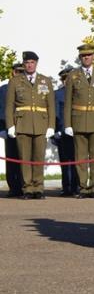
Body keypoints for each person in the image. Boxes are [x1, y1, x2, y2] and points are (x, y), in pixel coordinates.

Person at [64, 44, 94, 199]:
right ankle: (83, 187)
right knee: (80, 157)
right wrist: (67, 124)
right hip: (78, 120)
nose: (86, 58)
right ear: (80, 58)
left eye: (89, 55)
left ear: (93, 57)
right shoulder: (73, 75)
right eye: (83, 56)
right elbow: (68, 102)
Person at [4, 52, 55, 199]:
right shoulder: (15, 81)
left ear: (36, 63)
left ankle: (38, 188)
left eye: (32, 62)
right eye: (27, 62)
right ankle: (27, 188)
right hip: (22, 123)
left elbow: (50, 105)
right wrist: (10, 125)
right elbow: (9, 106)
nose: (30, 65)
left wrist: (51, 125)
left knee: (39, 158)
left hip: (41, 124)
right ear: (23, 64)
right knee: (25, 159)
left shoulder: (45, 81)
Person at [54, 66, 79, 196]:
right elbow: (55, 113)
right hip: (63, 132)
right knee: (65, 161)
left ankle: (77, 186)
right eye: (66, 79)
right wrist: (56, 130)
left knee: (78, 160)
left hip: (79, 131)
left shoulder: (79, 92)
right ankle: (67, 187)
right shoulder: (58, 94)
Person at [1, 63, 26, 197]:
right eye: (17, 71)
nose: (19, 74)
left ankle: (24, 186)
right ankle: (13, 187)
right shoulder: (4, 89)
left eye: (22, 72)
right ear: (12, 72)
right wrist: (2, 128)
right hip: (9, 127)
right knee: (11, 160)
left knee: (25, 158)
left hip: (25, 127)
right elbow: (1, 109)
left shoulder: (27, 87)